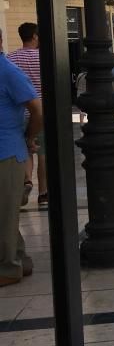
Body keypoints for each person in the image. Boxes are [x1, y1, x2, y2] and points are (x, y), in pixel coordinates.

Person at [0, 26, 42, 287]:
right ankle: (19, 260)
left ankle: (8, 268)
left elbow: (37, 109)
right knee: (4, 213)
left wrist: (28, 137)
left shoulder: (8, 70)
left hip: (7, 151)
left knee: (3, 214)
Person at [8, 23, 47, 210]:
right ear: (34, 36)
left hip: (19, 112)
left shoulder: (11, 58)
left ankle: (27, 182)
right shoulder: (44, 58)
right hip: (40, 111)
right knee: (43, 153)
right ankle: (44, 193)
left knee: (26, 151)